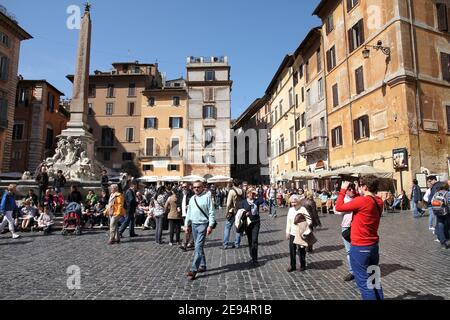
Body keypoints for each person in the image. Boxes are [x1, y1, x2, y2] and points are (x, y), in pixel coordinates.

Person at [335, 176, 384, 300]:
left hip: (360, 248)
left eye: (361, 185)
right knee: (374, 281)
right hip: (373, 247)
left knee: (364, 283)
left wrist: (342, 190)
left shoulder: (362, 201)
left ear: (365, 187)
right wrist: (358, 191)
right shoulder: (378, 201)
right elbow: (362, 201)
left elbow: (339, 207)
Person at [185, 181, 216, 280]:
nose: (196, 189)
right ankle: (202, 265)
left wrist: (210, 225)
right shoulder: (192, 198)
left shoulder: (207, 197)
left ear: (202, 187)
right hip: (194, 224)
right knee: (199, 247)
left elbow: (211, 212)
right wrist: (186, 224)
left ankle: (193, 270)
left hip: (203, 224)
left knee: (198, 246)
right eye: (194, 187)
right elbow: (189, 212)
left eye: (198, 187)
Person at [334, 183, 358, 282]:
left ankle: (360, 270)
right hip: (346, 227)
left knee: (359, 250)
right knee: (349, 251)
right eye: (349, 189)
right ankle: (352, 271)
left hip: (357, 227)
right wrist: (347, 207)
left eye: (353, 189)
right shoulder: (343, 199)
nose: (351, 190)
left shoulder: (359, 198)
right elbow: (336, 210)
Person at [286, 195, 315, 272]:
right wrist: (287, 232)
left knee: (301, 249)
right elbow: (288, 222)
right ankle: (292, 265)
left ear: (298, 202)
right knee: (292, 249)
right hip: (293, 232)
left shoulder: (302, 209)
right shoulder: (290, 210)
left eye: (295, 202)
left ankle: (302, 265)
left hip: (300, 233)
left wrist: (306, 227)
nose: (293, 204)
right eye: (292, 202)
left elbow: (309, 219)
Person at [242, 188, 264, 267]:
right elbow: (240, 212)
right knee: (250, 240)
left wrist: (257, 194)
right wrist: (245, 214)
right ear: (247, 194)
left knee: (254, 240)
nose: (251, 194)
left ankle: (255, 259)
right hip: (248, 223)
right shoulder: (244, 202)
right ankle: (252, 256)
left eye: (252, 193)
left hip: (256, 223)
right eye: (250, 193)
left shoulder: (256, 201)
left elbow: (262, 200)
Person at [223, 179, 243, 250]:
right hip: (240, 211)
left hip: (232, 211)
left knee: (227, 227)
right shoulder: (242, 190)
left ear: (233, 184)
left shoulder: (232, 191)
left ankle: (225, 244)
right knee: (238, 228)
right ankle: (237, 244)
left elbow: (228, 204)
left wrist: (226, 212)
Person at [430, 183, 450, 249]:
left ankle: (443, 241)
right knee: (446, 224)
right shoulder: (448, 193)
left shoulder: (436, 193)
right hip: (446, 212)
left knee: (440, 225)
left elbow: (432, 201)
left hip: (437, 211)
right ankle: (447, 238)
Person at [178, 183, 194, 251]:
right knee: (189, 229)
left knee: (187, 229)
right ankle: (191, 242)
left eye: (185, 187)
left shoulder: (191, 194)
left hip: (190, 214)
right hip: (183, 214)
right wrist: (178, 207)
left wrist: (190, 206)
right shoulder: (180, 194)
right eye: (183, 187)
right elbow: (179, 202)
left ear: (188, 187)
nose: (184, 188)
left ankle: (184, 244)